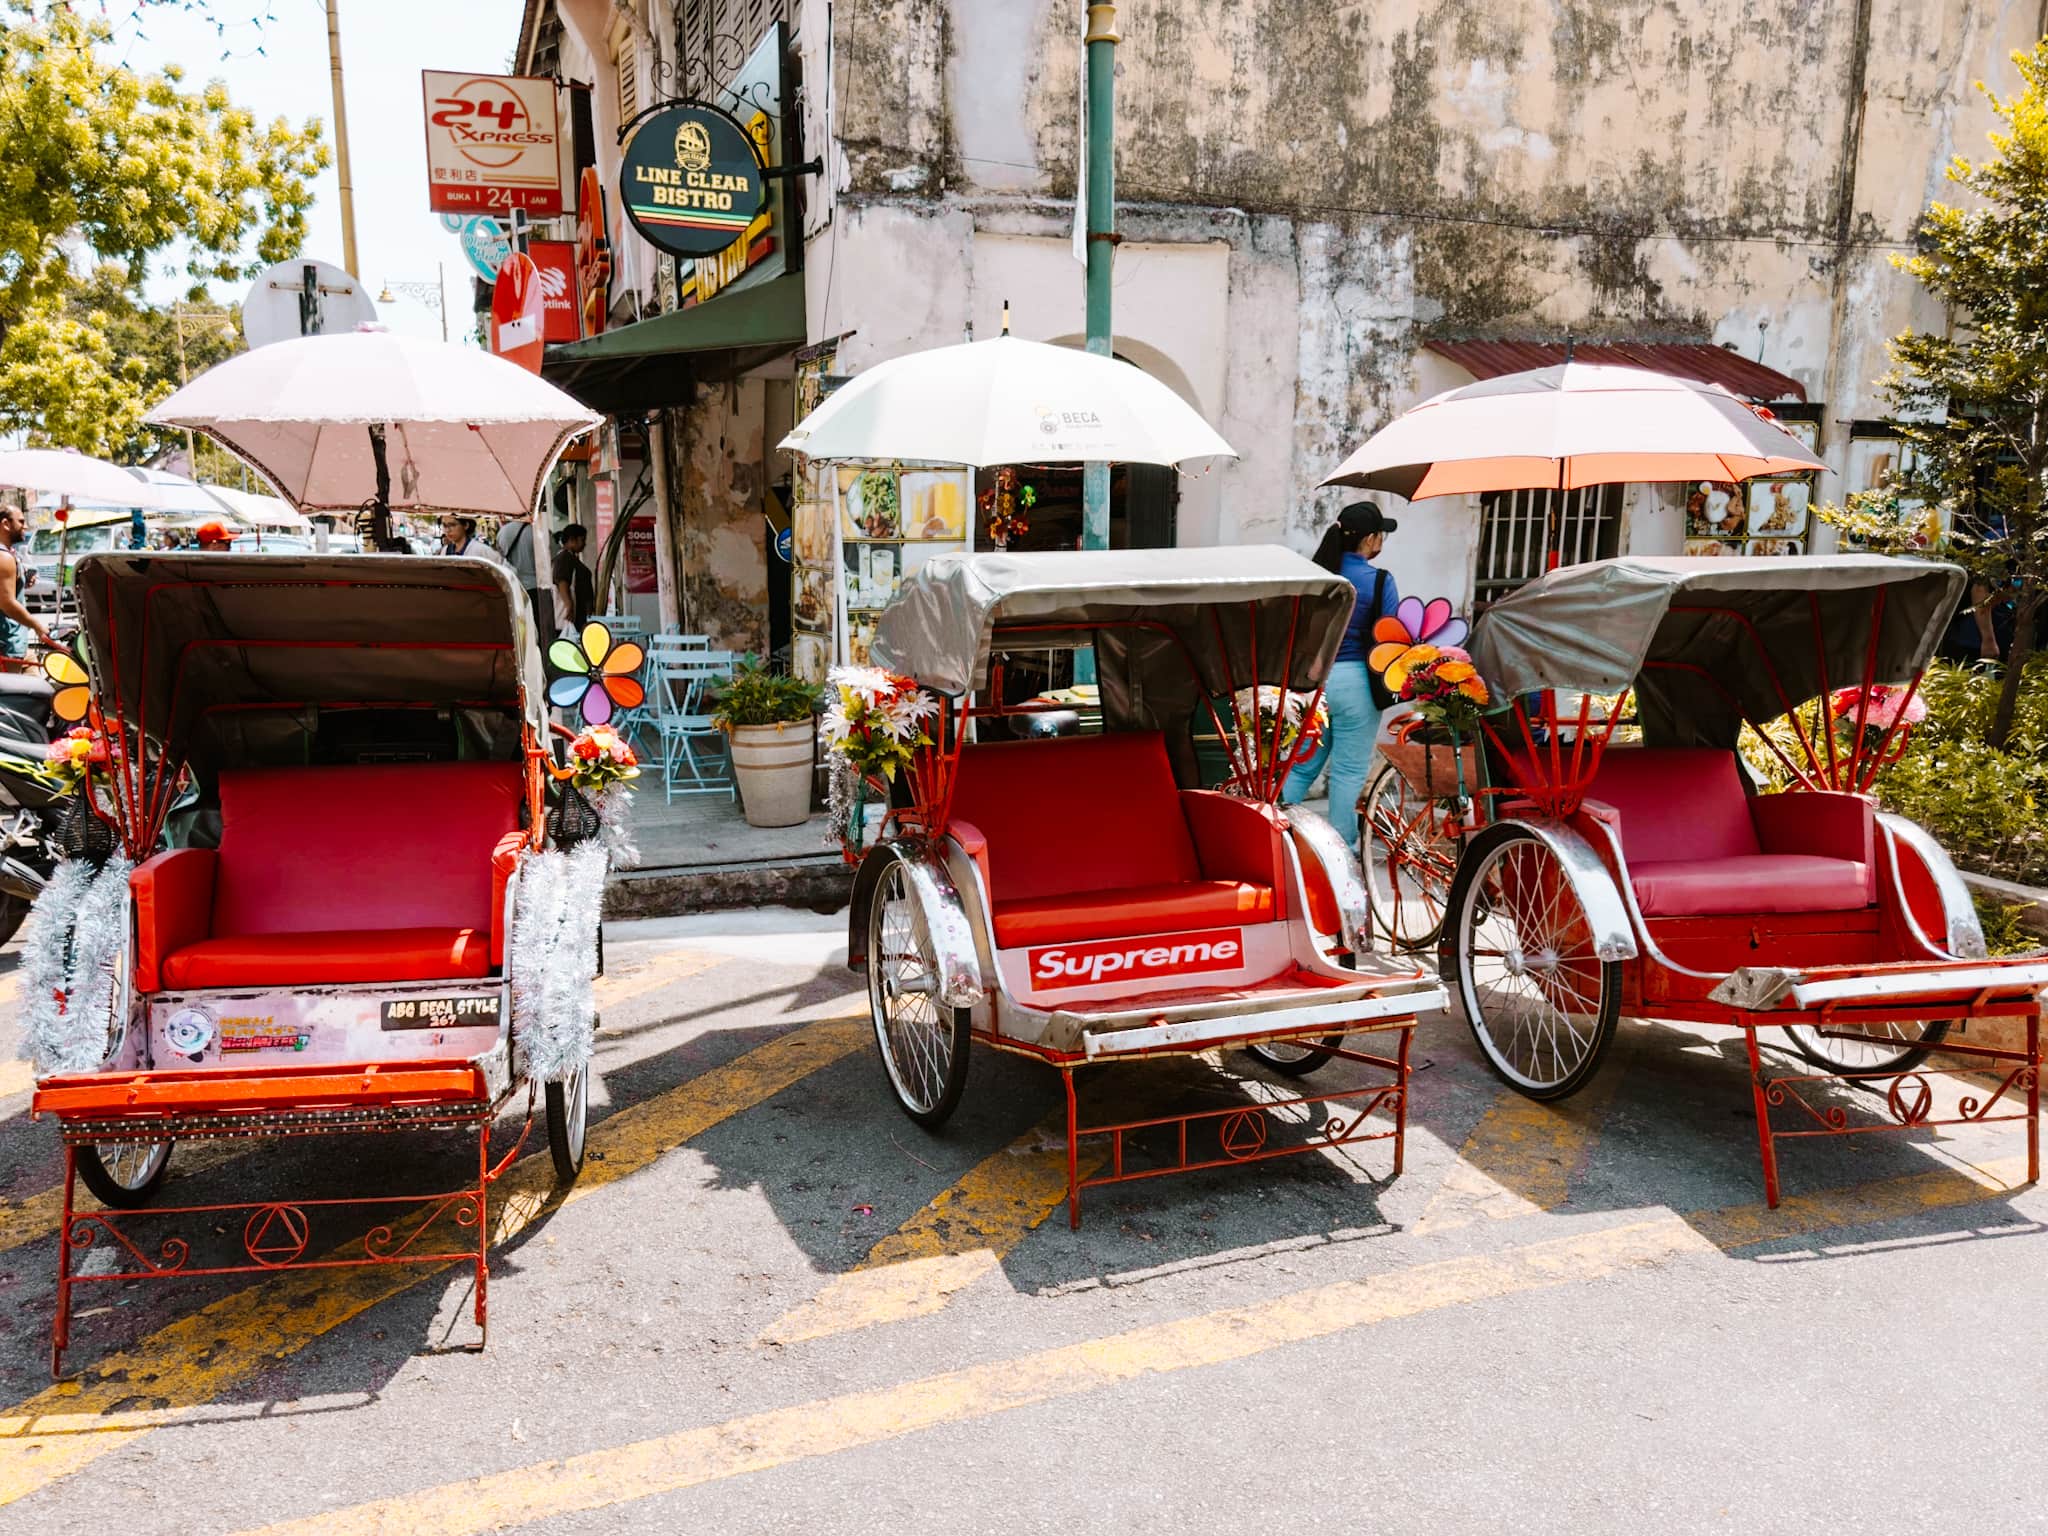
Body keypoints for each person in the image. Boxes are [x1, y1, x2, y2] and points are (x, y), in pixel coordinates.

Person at [1282, 500, 1401, 844]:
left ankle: (1274, 835)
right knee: (1348, 772)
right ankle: (1341, 851)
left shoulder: (1318, 575)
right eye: (1381, 535)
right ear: (1370, 539)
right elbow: (1389, 634)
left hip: (1313, 682)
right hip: (1358, 683)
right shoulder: (1378, 581)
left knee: (1303, 765)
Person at [0, 503, 54, 658]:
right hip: (8, 644)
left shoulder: (9, 554)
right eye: (21, 522)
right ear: (6, 524)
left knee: (36, 681)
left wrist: (21, 579)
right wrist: (37, 625)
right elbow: (6, 602)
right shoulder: (3, 557)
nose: (25, 527)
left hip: (17, 641)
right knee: (13, 682)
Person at [497, 512, 555, 640]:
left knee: (520, 628)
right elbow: (552, 557)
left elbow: (500, 556)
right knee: (540, 627)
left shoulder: (503, 532)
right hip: (538, 588)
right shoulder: (540, 531)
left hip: (514, 586)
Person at [553, 523, 596, 635]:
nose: (584, 544)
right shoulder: (564, 558)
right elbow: (562, 582)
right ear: (572, 540)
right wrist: (569, 605)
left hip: (580, 615)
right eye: (582, 540)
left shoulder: (570, 557)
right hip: (574, 616)